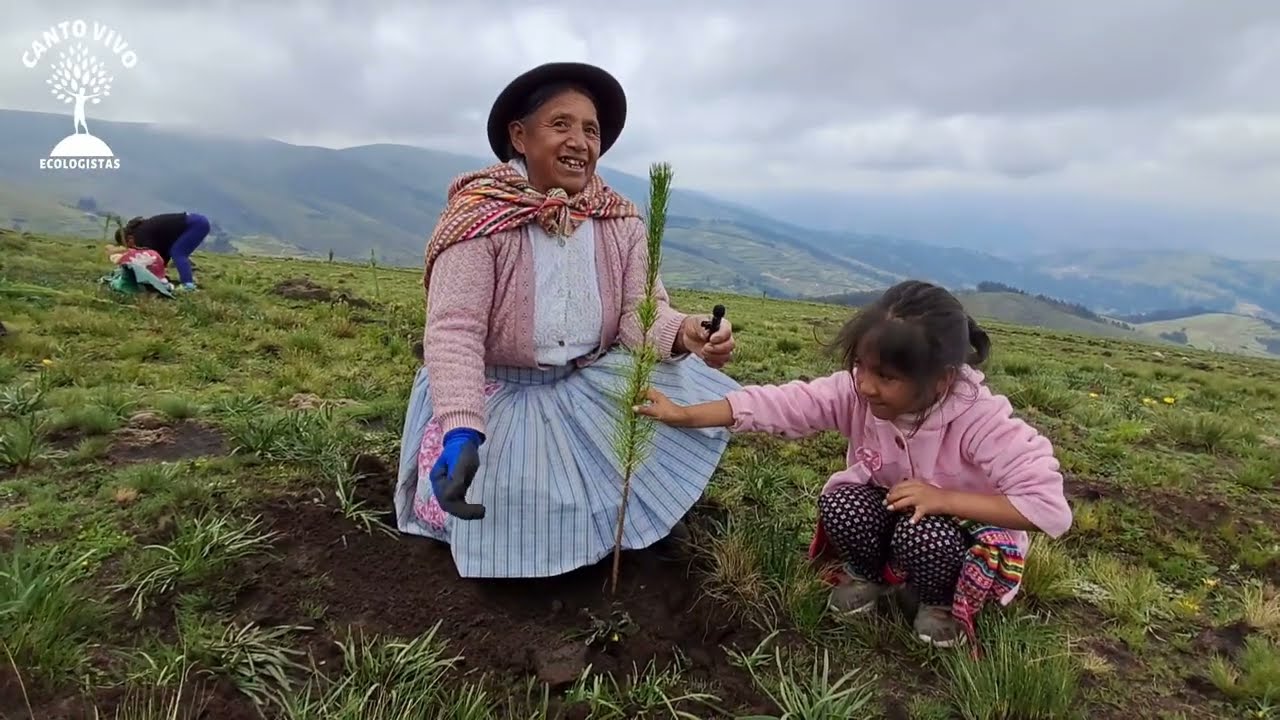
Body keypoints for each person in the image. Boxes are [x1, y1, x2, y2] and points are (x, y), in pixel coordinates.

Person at [394, 62, 740, 579]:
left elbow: (638, 315)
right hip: (498, 394)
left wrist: (684, 330)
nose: (579, 141)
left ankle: (626, 535)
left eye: (591, 129)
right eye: (561, 124)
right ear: (520, 136)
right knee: (514, 507)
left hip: (585, 380)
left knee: (671, 395)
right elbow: (454, 332)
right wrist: (462, 431)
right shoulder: (481, 218)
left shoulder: (616, 219)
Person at [635, 280, 1072, 648]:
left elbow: (1049, 507)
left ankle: (939, 601)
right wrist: (686, 414)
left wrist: (945, 499)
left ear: (940, 380)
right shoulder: (856, 393)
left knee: (925, 531)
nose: (866, 386)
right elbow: (783, 404)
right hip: (897, 512)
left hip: (959, 532)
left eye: (887, 377)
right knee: (842, 501)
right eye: (861, 367)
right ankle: (869, 578)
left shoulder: (980, 418)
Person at [116, 212, 210, 291]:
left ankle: (188, 285)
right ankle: (187, 282)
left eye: (129, 245)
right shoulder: (143, 231)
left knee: (178, 253)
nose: (133, 247)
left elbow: (153, 257)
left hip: (195, 224)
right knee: (174, 251)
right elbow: (162, 254)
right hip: (198, 222)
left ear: (129, 238)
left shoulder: (140, 235)